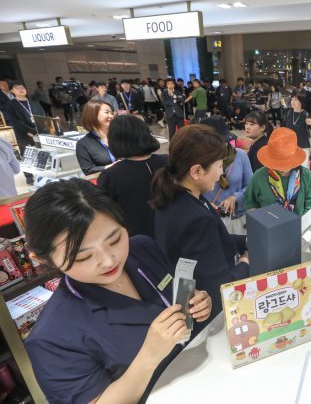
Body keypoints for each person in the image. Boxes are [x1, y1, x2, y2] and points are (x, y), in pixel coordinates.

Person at [23, 179, 212, 403]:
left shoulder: (142, 248)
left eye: (114, 239)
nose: (108, 260)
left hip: (207, 376)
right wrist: (149, 355)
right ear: (43, 258)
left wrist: (198, 303)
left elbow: (174, 295)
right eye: (83, 256)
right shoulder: (52, 338)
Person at [151, 125, 249, 315]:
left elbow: (214, 240)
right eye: (219, 165)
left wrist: (244, 241)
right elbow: (221, 287)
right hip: (210, 312)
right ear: (196, 171)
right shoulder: (196, 219)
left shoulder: (175, 194)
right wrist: (246, 262)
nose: (221, 173)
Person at [97, 115, 167, 238]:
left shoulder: (111, 175)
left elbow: (106, 215)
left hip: (137, 241)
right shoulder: (169, 161)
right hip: (175, 234)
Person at [244, 127, 311, 216]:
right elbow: (250, 202)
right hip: (268, 227)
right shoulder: (259, 176)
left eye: (286, 162)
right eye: (277, 162)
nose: (282, 168)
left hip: (300, 227)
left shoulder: (307, 177)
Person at [200, 116, 253, 235]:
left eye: (223, 141)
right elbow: (191, 190)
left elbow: (250, 186)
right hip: (209, 218)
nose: (220, 145)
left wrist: (235, 197)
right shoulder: (199, 160)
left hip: (236, 218)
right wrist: (205, 203)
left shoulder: (240, 156)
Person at [4, 82, 45, 185]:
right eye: (17, 88)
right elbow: (15, 121)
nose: (21, 89)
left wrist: (40, 129)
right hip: (23, 134)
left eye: (22, 87)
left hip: (39, 132)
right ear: (12, 91)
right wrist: (29, 131)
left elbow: (42, 115)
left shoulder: (34, 102)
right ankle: (29, 176)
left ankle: (43, 174)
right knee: (27, 155)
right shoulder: (11, 105)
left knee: (42, 153)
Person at [76, 100, 116, 175]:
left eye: (111, 112)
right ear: (93, 115)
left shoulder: (120, 135)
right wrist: (111, 167)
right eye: (107, 112)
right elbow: (88, 170)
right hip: (105, 182)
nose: (111, 116)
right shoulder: (83, 144)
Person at [284, 93, 311, 166]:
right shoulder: (289, 113)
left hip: (303, 147)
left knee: (303, 169)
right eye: (292, 99)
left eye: (296, 99)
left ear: (301, 102)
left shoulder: (306, 115)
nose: (293, 102)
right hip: (290, 147)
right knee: (291, 168)